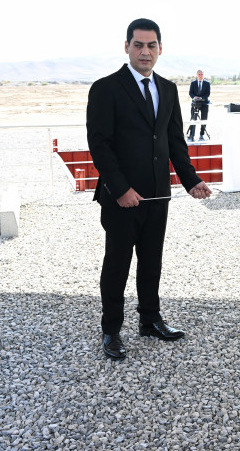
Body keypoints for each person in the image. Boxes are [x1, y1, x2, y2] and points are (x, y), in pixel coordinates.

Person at [86, 18, 213, 361]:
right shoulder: (105, 88)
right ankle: (111, 329)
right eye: (139, 45)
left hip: (158, 194)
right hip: (122, 199)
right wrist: (120, 189)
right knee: (117, 264)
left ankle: (150, 320)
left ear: (160, 49)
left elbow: (175, 142)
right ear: (126, 47)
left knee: (151, 261)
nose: (145, 51)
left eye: (151, 45)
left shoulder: (168, 89)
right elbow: (100, 145)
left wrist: (191, 180)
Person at [186, 69, 211, 141]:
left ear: (203, 75)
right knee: (193, 119)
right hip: (195, 103)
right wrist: (194, 97)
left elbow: (208, 93)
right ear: (197, 75)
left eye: (201, 74)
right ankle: (191, 134)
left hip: (204, 104)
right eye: (199, 74)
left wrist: (201, 98)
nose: (200, 76)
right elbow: (190, 92)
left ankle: (201, 135)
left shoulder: (207, 83)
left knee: (204, 119)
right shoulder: (193, 83)